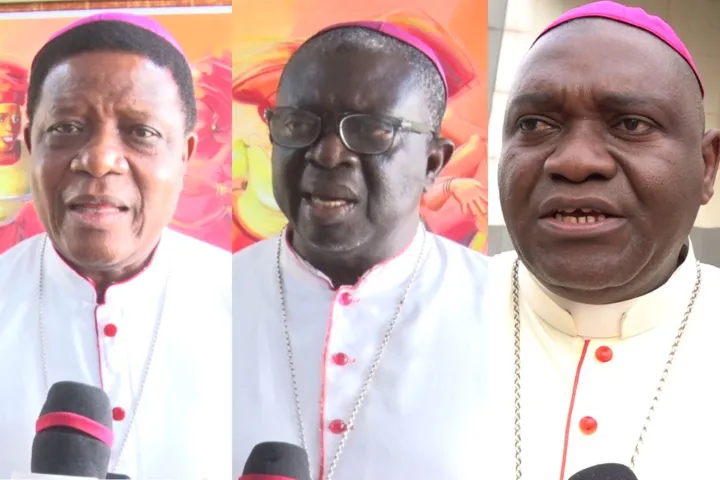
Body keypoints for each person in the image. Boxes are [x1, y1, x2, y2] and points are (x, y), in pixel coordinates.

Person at [232, 21, 489, 479]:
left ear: (433, 163)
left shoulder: (502, 314)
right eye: (298, 124)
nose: (328, 155)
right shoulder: (207, 298)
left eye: (372, 131)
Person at [482, 2, 720, 479]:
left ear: (706, 167)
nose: (574, 162)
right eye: (534, 124)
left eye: (631, 124)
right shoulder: (415, 321)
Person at [0, 13, 231, 479]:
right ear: (30, 145)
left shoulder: (248, 304)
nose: (100, 160)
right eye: (66, 128)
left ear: (184, 156)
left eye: (141, 132)